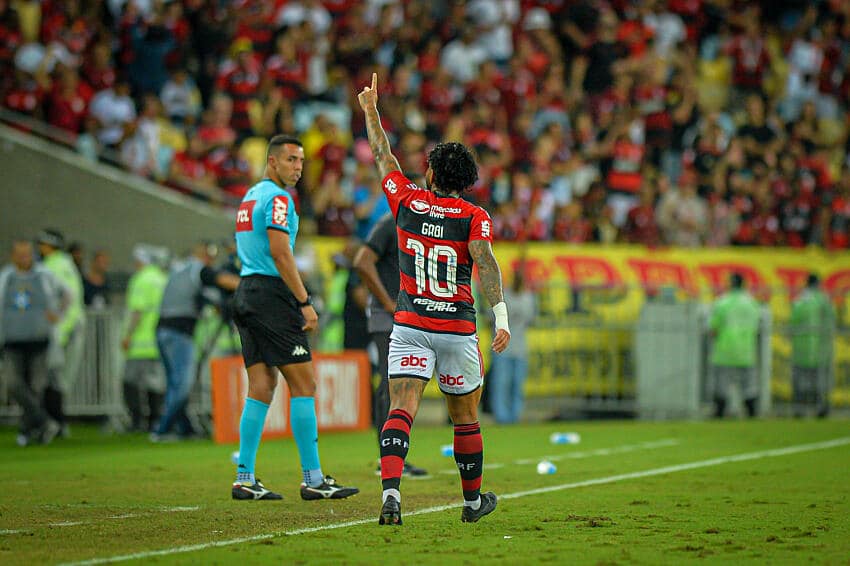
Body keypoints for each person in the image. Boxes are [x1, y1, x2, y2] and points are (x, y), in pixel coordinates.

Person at [358, 74, 511, 525]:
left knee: (400, 407)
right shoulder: (474, 216)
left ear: (430, 173)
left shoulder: (405, 201)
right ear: (464, 182)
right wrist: (500, 316)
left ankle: (392, 494)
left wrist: (371, 110)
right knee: (465, 419)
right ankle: (471, 502)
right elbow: (484, 263)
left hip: (409, 325)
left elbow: (383, 157)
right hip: (457, 331)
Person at [231, 134, 359, 501]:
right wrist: (303, 301)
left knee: (261, 387)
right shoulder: (278, 198)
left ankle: (244, 476)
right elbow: (280, 252)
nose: (298, 167)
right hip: (271, 295)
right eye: (290, 160)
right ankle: (314, 478)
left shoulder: (251, 195)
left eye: (301, 161)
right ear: (272, 161)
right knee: (304, 385)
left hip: (246, 291)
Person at [353, 213, 428, 477]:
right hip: (388, 320)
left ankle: (396, 457)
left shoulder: (419, 226)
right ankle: (387, 458)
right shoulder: (389, 225)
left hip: (407, 318)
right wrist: (386, 302)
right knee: (390, 385)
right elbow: (362, 261)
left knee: (405, 385)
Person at [153, 242, 240, 440]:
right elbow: (222, 280)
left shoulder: (177, 270)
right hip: (180, 332)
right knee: (183, 384)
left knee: (175, 383)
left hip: (163, 329)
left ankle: (183, 428)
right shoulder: (197, 270)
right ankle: (162, 429)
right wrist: (253, 285)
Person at [0, 240, 65, 446]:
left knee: (37, 387)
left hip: (39, 341)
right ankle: (45, 422)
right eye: (20, 254)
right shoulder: (6, 277)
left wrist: (58, 314)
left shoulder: (45, 275)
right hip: (12, 341)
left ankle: (27, 431)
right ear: (13, 256)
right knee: (13, 384)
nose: (24, 258)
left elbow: (67, 294)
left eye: (27, 254)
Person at [37, 229, 84, 438]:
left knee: (53, 377)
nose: (39, 247)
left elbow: (67, 299)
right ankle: (56, 423)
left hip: (62, 329)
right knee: (56, 377)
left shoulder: (53, 266)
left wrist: (60, 332)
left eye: (42, 244)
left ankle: (56, 423)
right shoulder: (64, 263)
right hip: (68, 328)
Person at [121, 245, 168, 432]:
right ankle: (154, 421)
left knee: (129, 380)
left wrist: (128, 335)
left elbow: (137, 311)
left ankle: (137, 421)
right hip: (159, 341)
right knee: (155, 383)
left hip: (140, 343)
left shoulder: (141, 280)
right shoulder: (162, 279)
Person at [708, 273, 762, 418]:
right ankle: (751, 413)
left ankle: (719, 412)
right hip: (746, 349)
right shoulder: (751, 302)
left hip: (724, 349)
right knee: (749, 383)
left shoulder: (722, 302)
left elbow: (714, 327)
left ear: (730, 284)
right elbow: (758, 324)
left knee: (722, 384)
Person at [488, 267, 536, 424]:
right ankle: (501, 417)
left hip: (520, 347)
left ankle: (514, 416)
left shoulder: (528, 297)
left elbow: (531, 319)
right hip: (502, 348)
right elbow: (491, 317)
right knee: (501, 383)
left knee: (517, 383)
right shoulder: (503, 296)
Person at [789, 274, 836, 418]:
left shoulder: (800, 300)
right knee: (821, 380)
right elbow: (831, 319)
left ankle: (799, 410)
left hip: (801, 348)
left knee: (800, 380)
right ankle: (822, 407)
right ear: (818, 283)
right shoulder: (825, 299)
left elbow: (794, 320)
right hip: (822, 349)